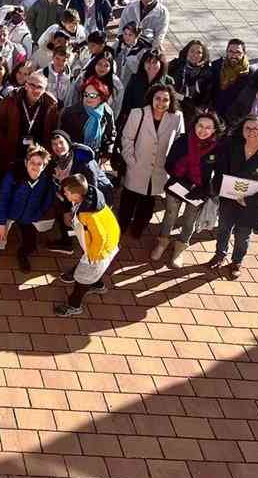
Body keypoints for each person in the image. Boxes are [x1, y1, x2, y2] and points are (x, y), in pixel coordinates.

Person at [209, 115, 258, 278]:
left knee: (242, 235)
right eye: (247, 128)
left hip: (252, 205)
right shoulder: (232, 147)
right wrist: (218, 189)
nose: (251, 132)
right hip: (229, 199)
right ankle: (219, 255)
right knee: (223, 228)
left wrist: (250, 200)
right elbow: (220, 169)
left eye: (256, 128)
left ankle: (237, 261)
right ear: (242, 130)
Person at [154, 109, 222, 266]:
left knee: (189, 220)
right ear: (194, 125)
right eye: (200, 125)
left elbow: (219, 174)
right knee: (170, 215)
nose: (203, 130)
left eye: (208, 127)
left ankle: (180, 247)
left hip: (199, 191)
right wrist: (180, 179)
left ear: (214, 130)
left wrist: (205, 190)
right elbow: (169, 163)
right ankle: (162, 242)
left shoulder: (217, 148)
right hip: (177, 186)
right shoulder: (183, 141)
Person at [118, 83, 185, 239]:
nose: (161, 103)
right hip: (137, 166)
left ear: (171, 101)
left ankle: (138, 229)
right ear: (151, 98)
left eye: (165, 100)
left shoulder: (177, 117)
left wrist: (172, 165)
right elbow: (127, 139)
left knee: (147, 203)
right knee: (128, 201)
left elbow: (179, 142)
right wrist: (131, 161)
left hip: (159, 170)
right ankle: (121, 226)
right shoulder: (138, 114)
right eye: (157, 98)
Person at [54, 174, 120, 316]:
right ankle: (97, 284)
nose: (64, 194)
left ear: (76, 195)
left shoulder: (88, 215)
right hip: (108, 244)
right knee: (93, 272)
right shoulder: (90, 196)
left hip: (99, 252)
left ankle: (74, 306)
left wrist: (92, 256)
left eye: (66, 192)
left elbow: (100, 238)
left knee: (82, 279)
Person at [0, 144, 55, 271]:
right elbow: (2, 200)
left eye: (39, 164)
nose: (35, 166)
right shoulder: (13, 176)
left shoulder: (46, 180)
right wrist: (2, 223)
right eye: (32, 162)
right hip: (10, 212)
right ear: (26, 162)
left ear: (44, 166)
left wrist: (38, 214)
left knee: (30, 245)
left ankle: (22, 254)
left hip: (29, 216)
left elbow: (48, 200)